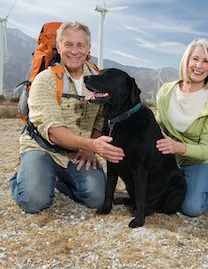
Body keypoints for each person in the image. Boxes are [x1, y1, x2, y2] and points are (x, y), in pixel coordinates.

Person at [10, 20, 124, 214]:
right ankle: (22, 176)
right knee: (34, 201)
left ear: (89, 48)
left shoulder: (99, 78)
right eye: (68, 44)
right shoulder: (45, 80)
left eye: (80, 45)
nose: (74, 51)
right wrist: (92, 145)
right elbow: (53, 132)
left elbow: (100, 120)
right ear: (59, 46)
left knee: (97, 198)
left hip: (78, 153)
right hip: (43, 148)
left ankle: (58, 179)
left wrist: (90, 150)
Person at [156, 37, 208, 217]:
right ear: (186, 61)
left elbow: (207, 149)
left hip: (200, 161)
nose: (199, 66)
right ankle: (196, 183)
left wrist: (177, 147)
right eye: (195, 59)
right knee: (158, 199)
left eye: (206, 61)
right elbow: (158, 127)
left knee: (191, 208)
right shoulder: (166, 91)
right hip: (169, 159)